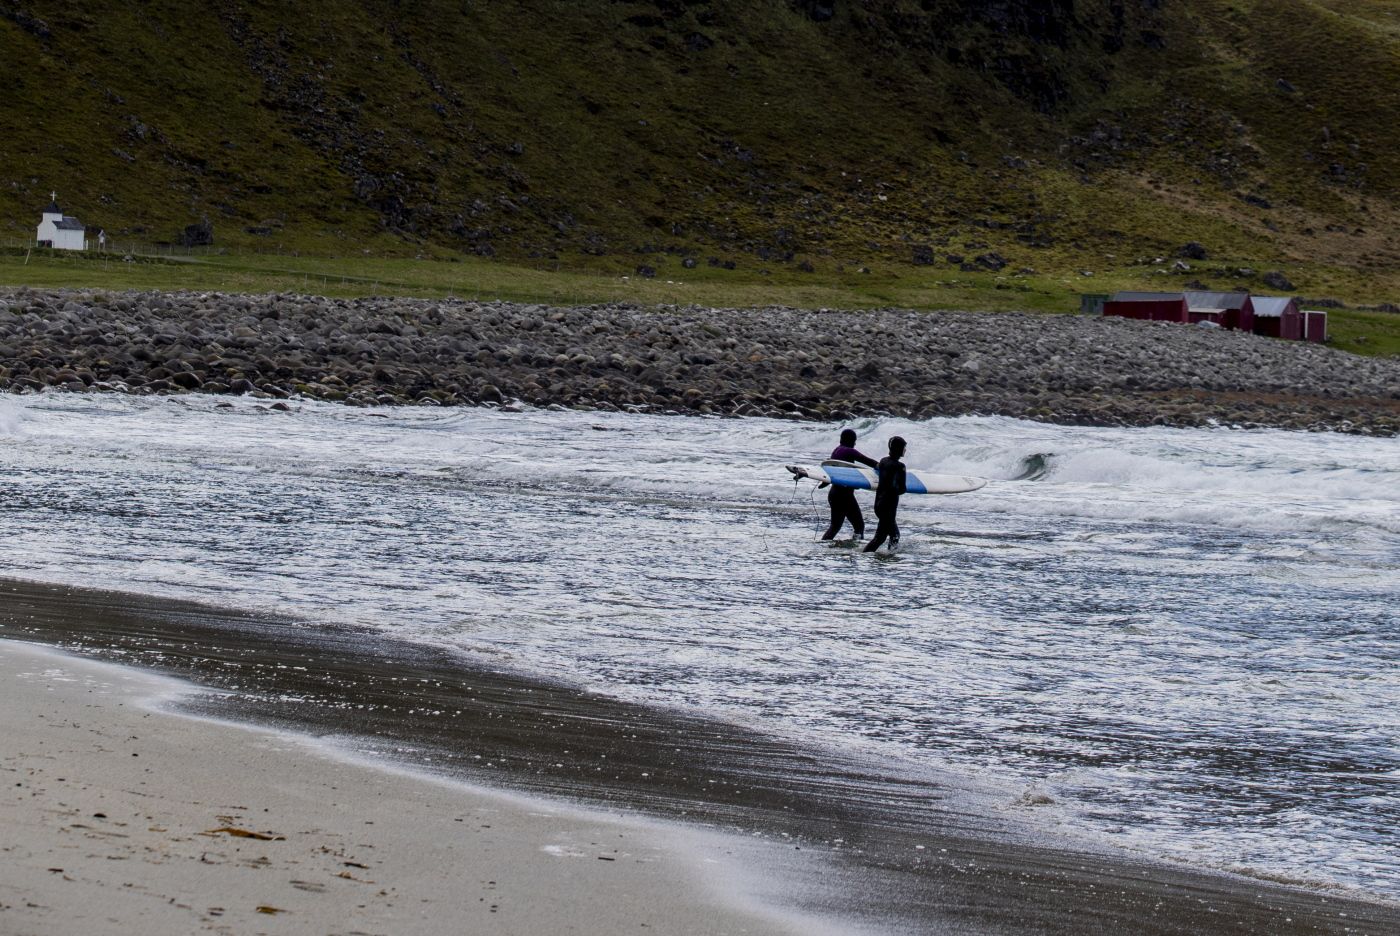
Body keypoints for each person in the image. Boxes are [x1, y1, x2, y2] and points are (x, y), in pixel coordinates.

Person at [822, 428, 878, 540]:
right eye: (854, 440)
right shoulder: (850, 451)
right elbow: (869, 462)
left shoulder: (836, 450)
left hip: (834, 493)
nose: (855, 443)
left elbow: (831, 469)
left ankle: (823, 547)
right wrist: (886, 467)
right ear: (851, 440)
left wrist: (824, 482)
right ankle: (856, 549)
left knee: (835, 527)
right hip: (844, 496)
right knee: (859, 526)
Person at [864, 436, 907, 552]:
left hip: (879, 504)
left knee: (887, 536)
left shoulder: (883, 461)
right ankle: (886, 559)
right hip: (889, 506)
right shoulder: (900, 466)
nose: (905, 450)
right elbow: (902, 489)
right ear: (899, 449)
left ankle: (886, 557)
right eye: (904, 447)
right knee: (889, 536)